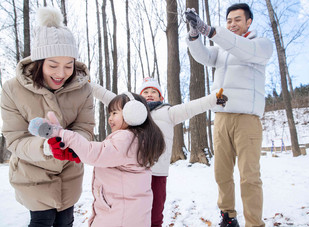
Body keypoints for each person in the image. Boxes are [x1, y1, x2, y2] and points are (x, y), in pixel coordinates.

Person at [0, 7, 94, 226]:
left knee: (65, 220)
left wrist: (73, 143)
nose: (61, 73)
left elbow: (85, 127)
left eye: (68, 65)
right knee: (42, 220)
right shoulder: (12, 89)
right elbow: (15, 138)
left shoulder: (83, 89)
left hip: (69, 174)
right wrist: (44, 147)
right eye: (53, 65)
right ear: (39, 62)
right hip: (32, 173)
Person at [91, 77, 227, 227]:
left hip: (157, 173)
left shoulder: (169, 112)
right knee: (133, 213)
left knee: (155, 214)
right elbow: (108, 96)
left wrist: (213, 99)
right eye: (146, 91)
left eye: (154, 91)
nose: (149, 94)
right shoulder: (133, 112)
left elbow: (191, 107)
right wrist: (90, 84)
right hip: (135, 172)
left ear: (161, 97)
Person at [185, 3, 273, 227]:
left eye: (237, 20)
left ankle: (254, 222)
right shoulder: (222, 50)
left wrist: (212, 32)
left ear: (248, 22)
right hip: (222, 118)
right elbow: (204, 56)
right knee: (221, 172)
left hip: (247, 120)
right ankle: (228, 215)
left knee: (249, 176)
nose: (232, 24)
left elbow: (241, 49)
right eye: (229, 21)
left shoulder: (260, 45)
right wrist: (195, 36)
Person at [28, 92, 166, 227]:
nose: (110, 118)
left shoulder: (126, 138)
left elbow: (94, 154)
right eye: (109, 114)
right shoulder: (139, 139)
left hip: (119, 215)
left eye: (115, 113)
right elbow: (107, 155)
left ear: (133, 113)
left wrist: (61, 133)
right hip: (129, 212)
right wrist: (75, 152)